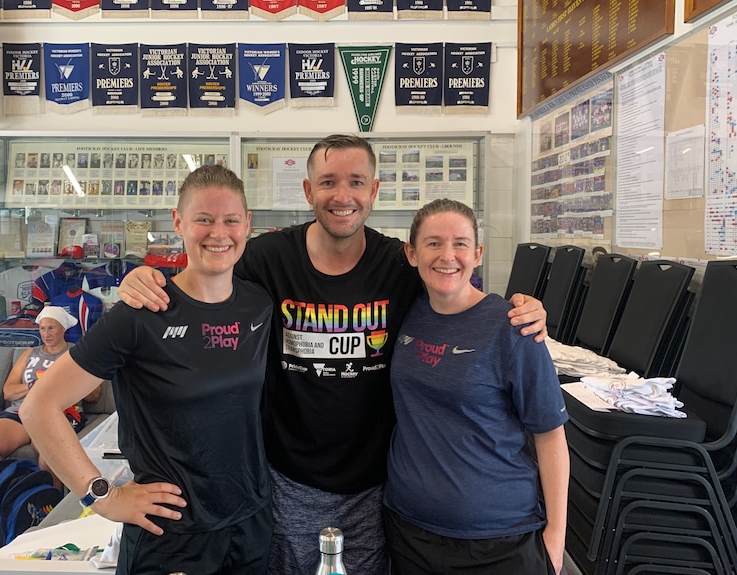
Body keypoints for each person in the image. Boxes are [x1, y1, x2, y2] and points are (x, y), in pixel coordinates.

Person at [116, 134, 548, 574]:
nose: (342, 196)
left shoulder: (400, 264)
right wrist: (147, 277)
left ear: (374, 190)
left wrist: (519, 308)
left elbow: (453, 288)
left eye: (356, 182)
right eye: (327, 182)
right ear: (308, 191)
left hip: (377, 489)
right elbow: (205, 273)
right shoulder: (266, 259)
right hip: (286, 483)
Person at [20, 165, 273, 575]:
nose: (218, 233)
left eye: (230, 220)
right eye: (203, 220)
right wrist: (102, 497)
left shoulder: (259, 304)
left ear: (248, 224)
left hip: (252, 523)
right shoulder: (141, 313)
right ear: (178, 222)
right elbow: (38, 408)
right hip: (173, 537)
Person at [384, 198, 568, 574]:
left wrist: (556, 539)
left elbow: (550, 437)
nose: (447, 256)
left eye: (460, 244)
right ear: (412, 253)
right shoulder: (404, 312)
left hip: (499, 540)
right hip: (410, 531)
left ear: (478, 253)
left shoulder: (514, 325)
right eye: (433, 243)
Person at [0, 306, 98, 481]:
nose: (46, 333)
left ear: (63, 328)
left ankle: (49, 506)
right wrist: (33, 385)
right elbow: (8, 392)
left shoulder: (75, 353)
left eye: (51, 328)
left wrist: (64, 381)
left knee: (49, 455)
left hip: (58, 414)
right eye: (42, 328)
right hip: (22, 412)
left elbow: (94, 395)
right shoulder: (30, 353)